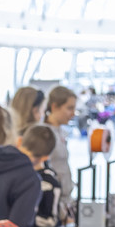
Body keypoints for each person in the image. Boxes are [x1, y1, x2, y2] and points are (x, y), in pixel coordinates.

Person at [21, 124, 63, 227]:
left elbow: (51, 220)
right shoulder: (19, 174)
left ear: (45, 157)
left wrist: (27, 217)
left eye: (31, 155)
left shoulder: (50, 183)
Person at [44, 85, 78, 219]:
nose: (73, 113)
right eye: (69, 108)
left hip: (65, 201)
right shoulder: (43, 134)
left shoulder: (61, 132)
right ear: (54, 107)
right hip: (54, 203)